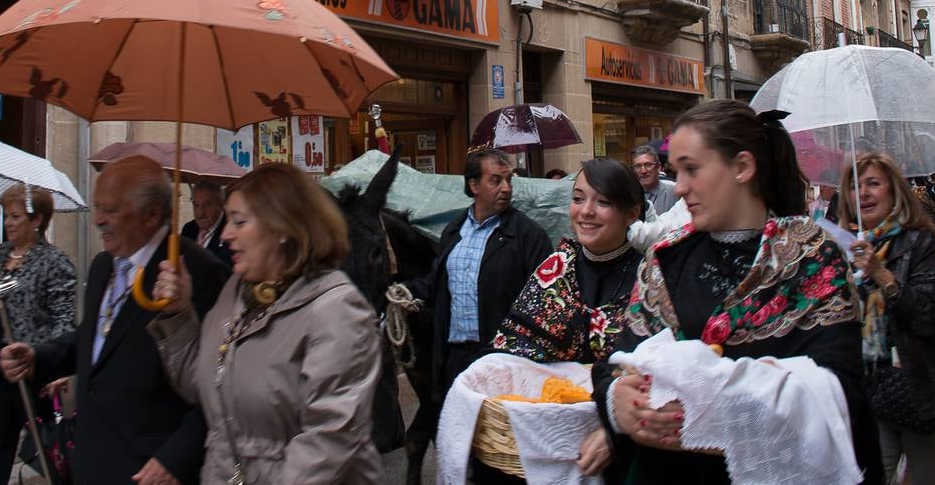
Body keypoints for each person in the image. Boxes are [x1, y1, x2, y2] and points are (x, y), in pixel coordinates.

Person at [593, 100, 882, 484]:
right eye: (676, 171)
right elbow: (620, 361)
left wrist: (716, 408)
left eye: (691, 169)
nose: (678, 188)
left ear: (743, 167)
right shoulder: (665, 259)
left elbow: (843, 394)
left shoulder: (809, 258)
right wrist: (616, 401)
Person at [0, 156, 229, 485]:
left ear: (151, 215)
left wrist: (177, 458)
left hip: (151, 467)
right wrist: (38, 358)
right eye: (96, 208)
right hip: (94, 457)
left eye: (111, 210)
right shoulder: (103, 265)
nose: (98, 221)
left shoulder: (197, 271)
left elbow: (218, 382)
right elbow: (94, 342)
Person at [149, 163, 384, 483]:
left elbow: (328, 440)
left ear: (284, 228)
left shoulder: (336, 309)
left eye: (240, 221)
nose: (227, 233)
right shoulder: (235, 291)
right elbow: (204, 385)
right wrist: (178, 315)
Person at [492, 158, 645, 475]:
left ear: (631, 213)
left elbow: (665, 378)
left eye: (603, 201)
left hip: (629, 454)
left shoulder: (651, 278)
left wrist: (616, 431)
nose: (586, 211)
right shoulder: (556, 266)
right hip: (546, 442)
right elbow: (511, 349)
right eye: (578, 198)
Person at [841, 152, 935, 485]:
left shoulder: (921, 242)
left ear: (894, 191)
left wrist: (881, 274)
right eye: (855, 186)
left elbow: (929, 315)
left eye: (873, 184)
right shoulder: (841, 250)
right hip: (870, 396)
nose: (863, 193)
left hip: (925, 394)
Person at [403, 148, 553, 400]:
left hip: (502, 360)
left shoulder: (529, 237)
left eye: (509, 180)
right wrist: (403, 291)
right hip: (454, 357)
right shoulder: (453, 232)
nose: (506, 188)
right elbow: (438, 282)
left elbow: (544, 302)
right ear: (474, 185)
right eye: (495, 180)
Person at [0, 185, 76, 485]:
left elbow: (64, 319)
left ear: (37, 220)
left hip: (33, 367)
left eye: (16, 216)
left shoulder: (54, 261)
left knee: (45, 442)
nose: (8, 222)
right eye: (7, 216)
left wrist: (56, 368)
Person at [179, 179, 232, 266]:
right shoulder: (188, 229)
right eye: (196, 205)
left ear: (220, 204)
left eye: (207, 204)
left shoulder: (230, 232)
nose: (201, 212)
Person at [631, 144, 679, 216]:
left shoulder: (674, 191)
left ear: (659, 167)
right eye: (638, 166)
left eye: (648, 165)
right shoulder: (629, 194)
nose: (643, 171)